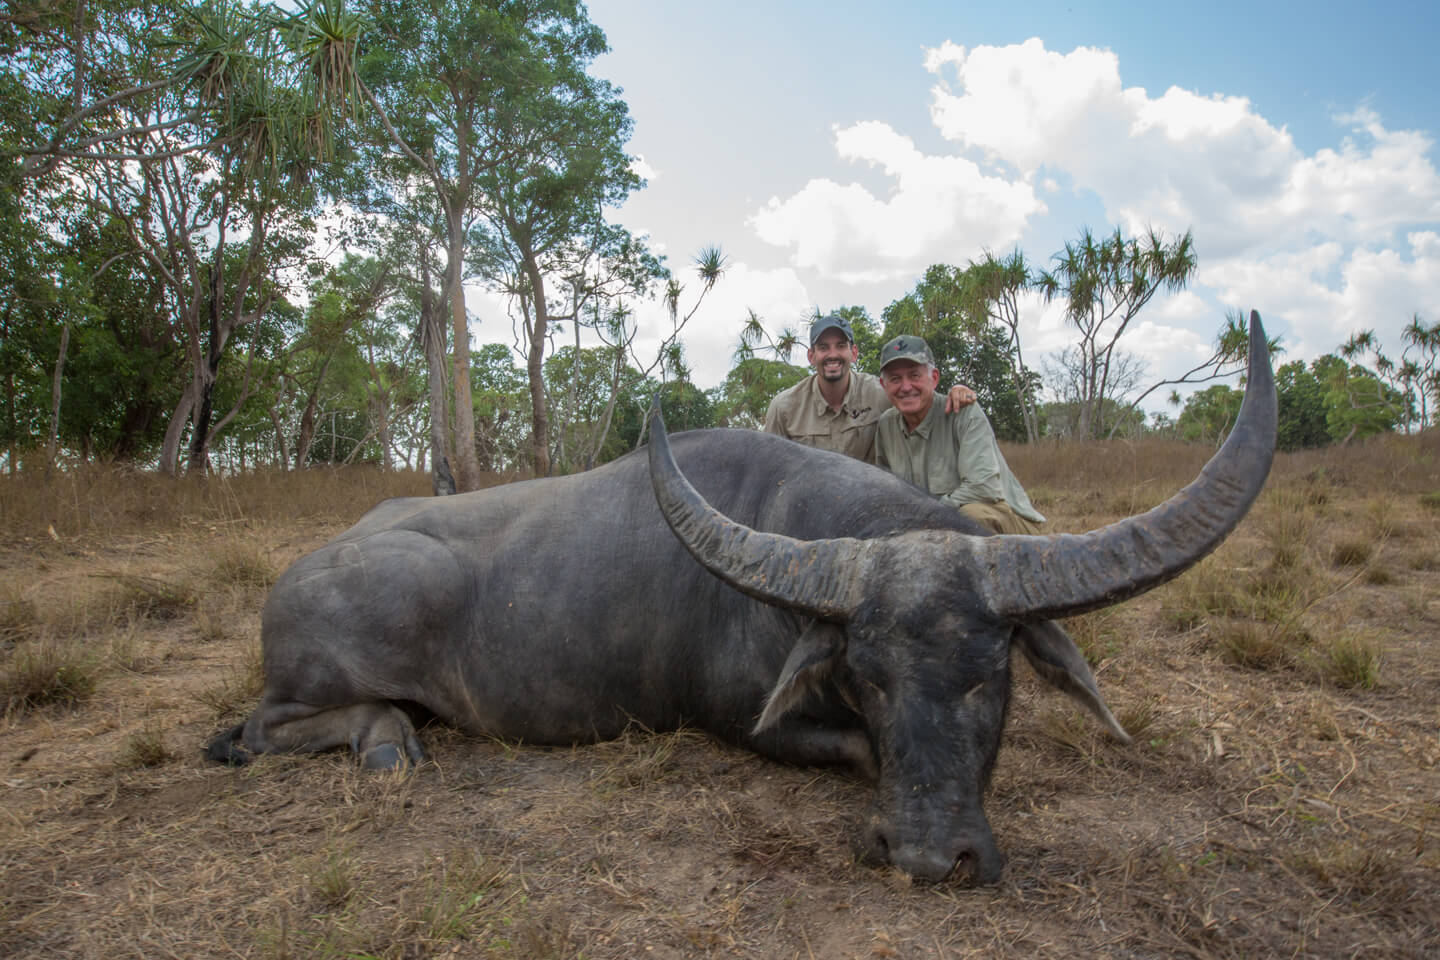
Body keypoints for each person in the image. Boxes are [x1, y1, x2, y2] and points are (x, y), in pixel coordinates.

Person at [874, 334, 1046, 535]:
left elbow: (983, 489)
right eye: (895, 379)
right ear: (883, 385)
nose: (905, 387)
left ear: (934, 378)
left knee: (970, 517)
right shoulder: (886, 425)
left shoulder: (963, 411)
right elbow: (887, 491)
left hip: (1009, 526)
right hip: (935, 525)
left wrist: (921, 516)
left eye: (914, 376)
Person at [763, 313, 975, 463]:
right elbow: (769, 467)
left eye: (841, 346)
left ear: (854, 353)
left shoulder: (881, 394)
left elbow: (923, 402)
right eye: (823, 348)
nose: (832, 355)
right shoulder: (784, 408)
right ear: (811, 356)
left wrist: (957, 391)